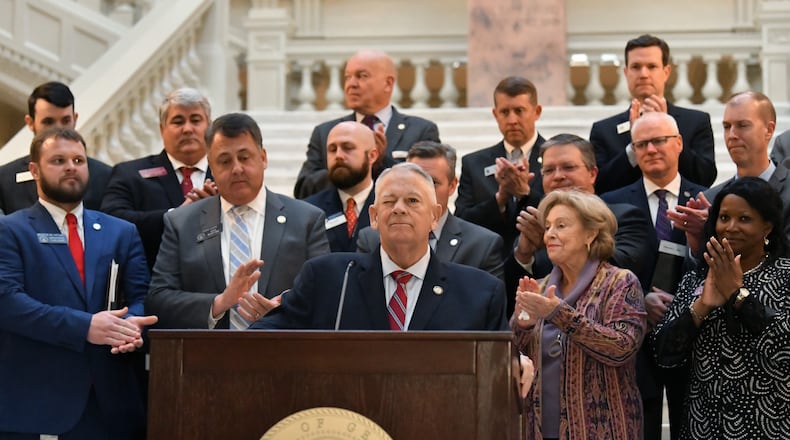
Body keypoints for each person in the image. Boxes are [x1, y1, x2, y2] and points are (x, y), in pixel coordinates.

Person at [0, 128, 157, 438]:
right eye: (58, 160)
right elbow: (7, 302)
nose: (71, 166)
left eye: (78, 160)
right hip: (35, 405)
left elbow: (142, 296)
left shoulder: (121, 231)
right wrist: (86, 326)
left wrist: (131, 325)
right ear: (35, 170)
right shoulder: (10, 230)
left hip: (111, 404)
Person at [252, 163, 507, 331]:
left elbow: (500, 361)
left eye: (412, 200)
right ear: (374, 216)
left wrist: (518, 362)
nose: (398, 208)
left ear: (434, 216)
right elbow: (267, 335)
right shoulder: (328, 279)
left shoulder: (480, 293)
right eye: (389, 201)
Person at [146, 113, 330, 330]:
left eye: (244, 158)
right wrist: (219, 303)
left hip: (286, 354)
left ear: (263, 158)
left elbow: (325, 291)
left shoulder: (306, 219)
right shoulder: (181, 223)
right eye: (224, 161)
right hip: (209, 357)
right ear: (211, 169)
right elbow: (158, 299)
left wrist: (283, 308)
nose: (236, 169)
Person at [653, 177, 790, 439]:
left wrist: (738, 296)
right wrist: (702, 306)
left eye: (745, 219)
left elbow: (784, 349)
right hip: (703, 426)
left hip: (770, 424)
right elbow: (664, 353)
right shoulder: (697, 278)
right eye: (724, 217)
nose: (730, 227)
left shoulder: (785, 276)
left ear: (768, 226)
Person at [600, 112, 707, 440]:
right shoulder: (610, 204)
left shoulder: (709, 199)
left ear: (678, 144)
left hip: (693, 335)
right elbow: (608, 268)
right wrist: (640, 300)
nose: (651, 149)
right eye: (641, 144)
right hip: (635, 339)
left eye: (659, 140)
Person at [513, 189, 646, 440]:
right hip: (540, 428)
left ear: (590, 233)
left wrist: (558, 313)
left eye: (561, 226)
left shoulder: (619, 282)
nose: (550, 234)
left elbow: (622, 347)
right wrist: (524, 324)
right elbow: (514, 358)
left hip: (603, 429)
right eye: (548, 226)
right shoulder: (539, 287)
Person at [506, 134, 654, 313]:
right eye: (549, 170)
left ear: (592, 174)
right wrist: (524, 255)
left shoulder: (624, 217)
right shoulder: (536, 225)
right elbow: (512, 300)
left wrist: (555, 244)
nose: (558, 176)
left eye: (568, 167)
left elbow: (621, 268)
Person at [294, 50, 440, 199]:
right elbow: (303, 190)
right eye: (347, 77)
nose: (351, 84)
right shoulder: (325, 132)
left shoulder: (421, 131)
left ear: (388, 83)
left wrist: (383, 161)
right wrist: (345, 168)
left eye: (362, 76)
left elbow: (430, 187)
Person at [101, 88, 217, 269]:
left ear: (209, 127)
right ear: (162, 129)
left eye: (195, 120)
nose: (187, 129)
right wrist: (175, 216)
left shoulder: (226, 176)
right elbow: (111, 221)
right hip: (153, 284)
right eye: (178, 121)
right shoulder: (129, 174)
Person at [357, 141, 505, 281]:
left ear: (452, 186)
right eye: (414, 181)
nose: (423, 190)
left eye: (432, 182)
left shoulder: (481, 245)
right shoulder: (371, 239)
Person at [589, 34, 716, 194]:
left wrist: (667, 132)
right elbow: (599, 184)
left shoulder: (696, 122)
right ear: (626, 72)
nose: (643, 74)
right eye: (636, 67)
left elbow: (705, 177)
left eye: (651, 66)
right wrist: (634, 146)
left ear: (666, 71)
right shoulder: (604, 131)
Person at [671, 92, 790, 255]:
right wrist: (698, 241)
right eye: (727, 127)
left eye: (742, 125)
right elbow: (694, 273)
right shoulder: (711, 198)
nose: (732, 135)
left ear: (769, 130)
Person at [455, 76, 545, 252]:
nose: (512, 120)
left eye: (519, 111)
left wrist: (525, 193)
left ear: (537, 112)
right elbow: (461, 222)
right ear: (495, 114)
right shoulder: (474, 164)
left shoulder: (554, 160)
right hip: (488, 260)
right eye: (505, 112)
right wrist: (499, 200)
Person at [0, 81, 111, 214]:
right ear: (30, 123)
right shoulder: (4, 179)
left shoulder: (106, 176)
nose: (58, 129)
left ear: (75, 119)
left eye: (65, 121)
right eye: (48, 122)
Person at [303, 121, 378, 252]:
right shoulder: (307, 211)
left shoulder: (390, 208)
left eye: (348, 147)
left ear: (372, 156)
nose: (338, 156)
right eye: (332, 149)